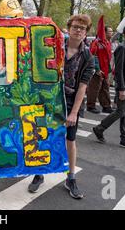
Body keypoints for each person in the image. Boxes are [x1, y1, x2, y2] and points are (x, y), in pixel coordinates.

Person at [28, 14, 94, 199]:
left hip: (71, 101)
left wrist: (73, 113)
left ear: (86, 32)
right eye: (75, 26)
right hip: (49, 99)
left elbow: (82, 87)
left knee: (70, 140)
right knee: (42, 135)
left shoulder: (88, 56)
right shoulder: (54, 46)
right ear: (69, 27)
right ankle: (39, 173)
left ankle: (70, 177)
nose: (78, 30)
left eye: (82, 28)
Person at [92, 24, 125, 151]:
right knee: (121, 111)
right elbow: (118, 70)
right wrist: (121, 88)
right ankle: (100, 128)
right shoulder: (122, 47)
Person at [86, 19, 113, 114]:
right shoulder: (96, 42)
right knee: (94, 88)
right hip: (98, 70)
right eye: (110, 31)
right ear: (104, 32)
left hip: (105, 69)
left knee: (105, 87)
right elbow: (93, 55)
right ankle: (90, 105)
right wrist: (97, 68)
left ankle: (106, 106)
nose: (112, 33)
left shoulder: (107, 42)